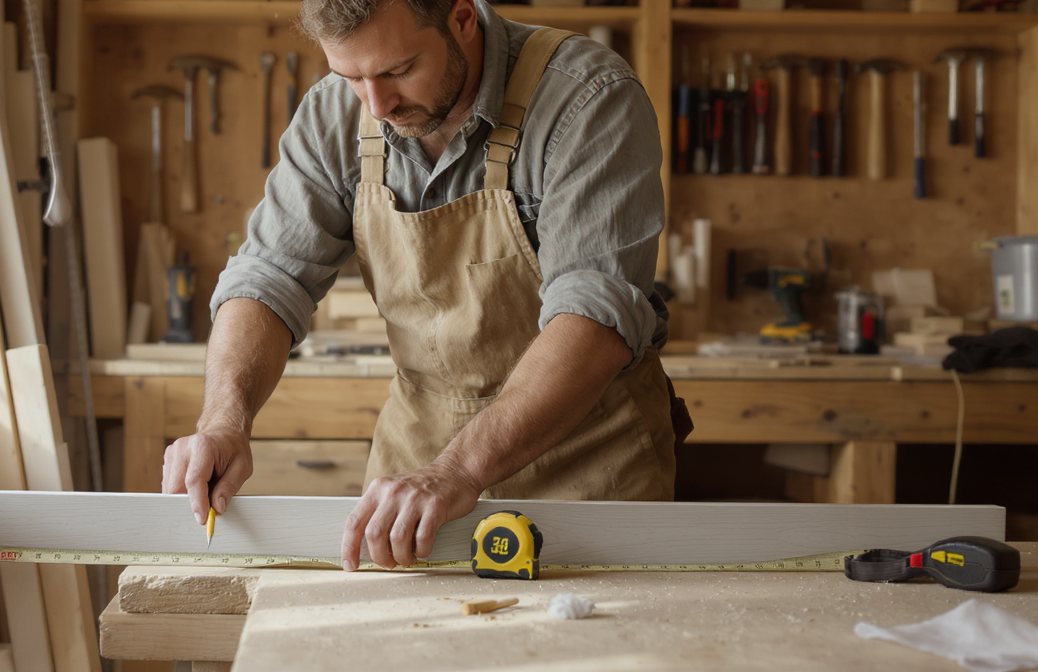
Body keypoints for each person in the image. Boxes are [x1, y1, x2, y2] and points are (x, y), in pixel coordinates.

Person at [161, 0, 689, 571]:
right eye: (351, 77)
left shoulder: (588, 97)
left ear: (462, 18)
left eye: (397, 71)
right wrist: (223, 421)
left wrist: (460, 470)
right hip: (414, 474)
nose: (377, 104)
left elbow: (594, 320)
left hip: (588, 468)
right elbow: (269, 276)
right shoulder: (337, 114)